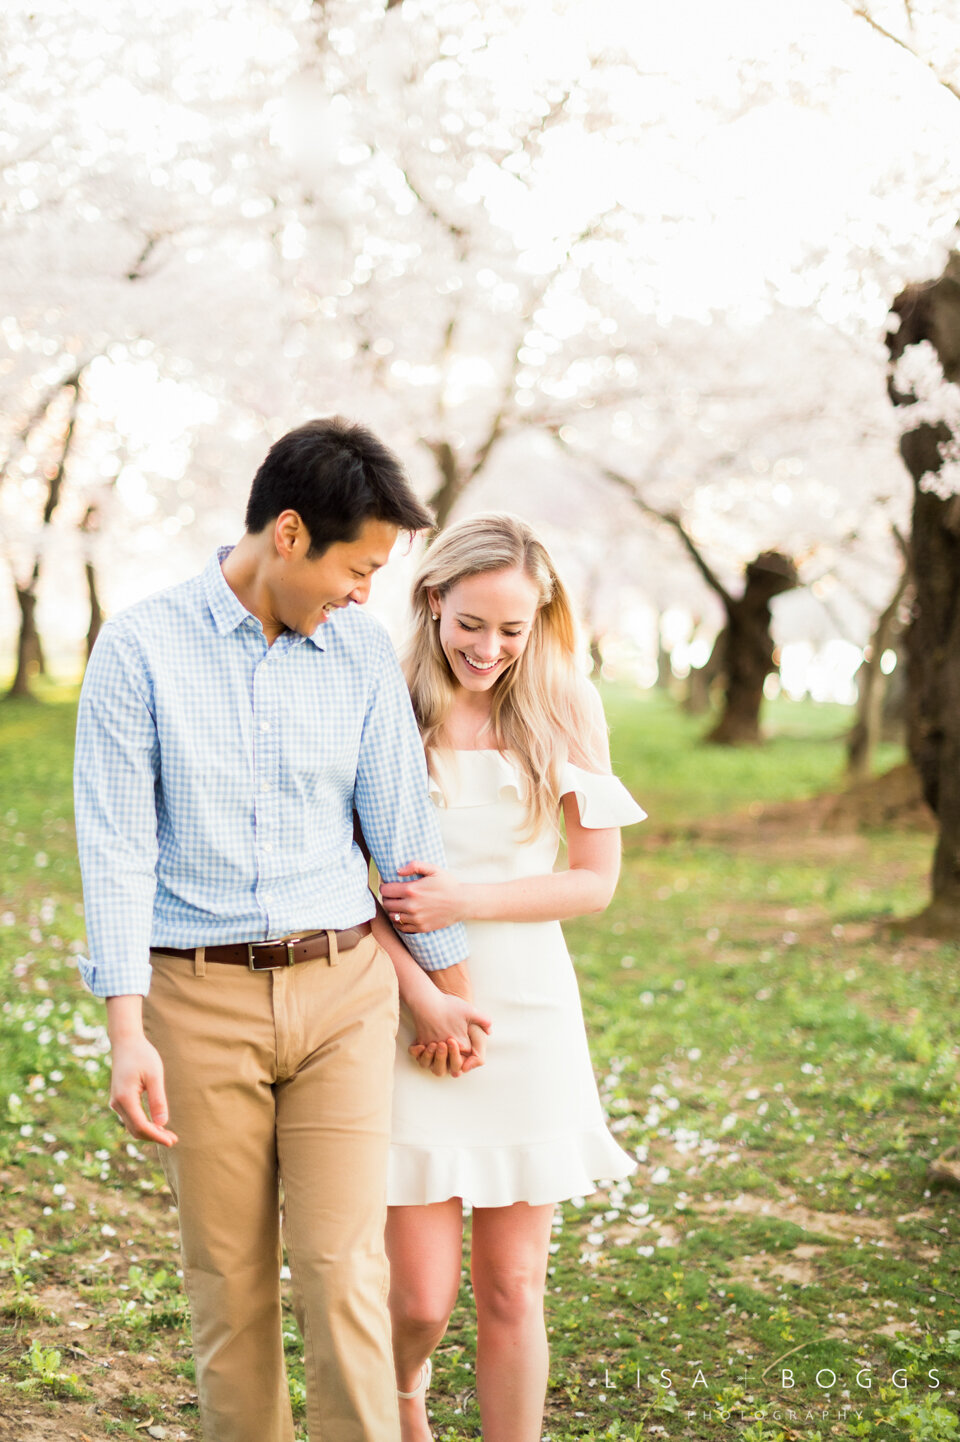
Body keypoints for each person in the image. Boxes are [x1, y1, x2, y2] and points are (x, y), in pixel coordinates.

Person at [73, 417, 491, 1442]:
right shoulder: (140, 648)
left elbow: (401, 843)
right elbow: (118, 850)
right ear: (291, 535)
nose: (366, 595)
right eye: (360, 568)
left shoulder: (356, 655)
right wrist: (128, 1030)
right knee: (229, 1281)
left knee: (348, 1269)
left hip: (342, 989)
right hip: (194, 995)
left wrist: (451, 989)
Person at [372, 513, 646, 1442]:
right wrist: (426, 1000)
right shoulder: (382, 700)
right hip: (409, 1010)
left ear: (542, 620)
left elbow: (593, 881)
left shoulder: (566, 704)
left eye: (514, 629)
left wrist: (467, 902)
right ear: (431, 601)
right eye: (470, 624)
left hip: (526, 1018)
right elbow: (339, 878)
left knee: (513, 1286)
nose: (490, 648)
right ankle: (404, 1397)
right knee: (417, 1298)